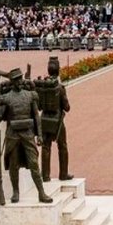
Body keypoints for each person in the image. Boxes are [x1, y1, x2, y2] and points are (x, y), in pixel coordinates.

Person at [0, 67, 52, 204]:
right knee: (14, 165)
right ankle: (15, 192)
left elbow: (37, 116)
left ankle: (41, 193)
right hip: (13, 134)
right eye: (16, 80)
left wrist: (40, 135)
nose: (19, 82)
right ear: (12, 82)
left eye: (20, 79)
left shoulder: (30, 95)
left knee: (34, 164)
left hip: (28, 133)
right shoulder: (6, 98)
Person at [34, 55, 72, 183]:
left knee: (46, 147)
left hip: (44, 118)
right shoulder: (60, 88)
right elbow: (66, 107)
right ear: (58, 70)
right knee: (62, 146)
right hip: (57, 120)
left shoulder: (43, 86)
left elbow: (38, 106)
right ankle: (63, 173)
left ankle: (45, 175)